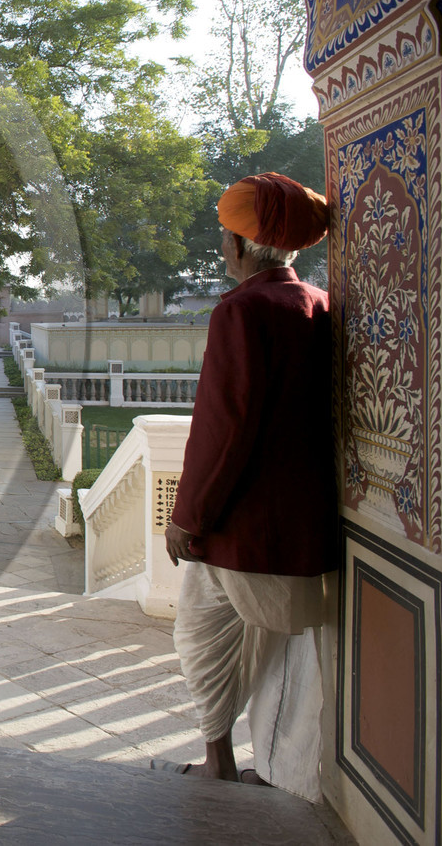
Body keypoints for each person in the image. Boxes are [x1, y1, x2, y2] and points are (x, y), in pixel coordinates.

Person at [160, 171, 336, 801]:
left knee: (203, 638)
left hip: (242, 524)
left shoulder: (243, 310)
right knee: (283, 655)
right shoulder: (315, 303)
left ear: (239, 245)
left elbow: (224, 426)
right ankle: (251, 765)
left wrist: (190, 517)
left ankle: (222, 762)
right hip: (304, 522)